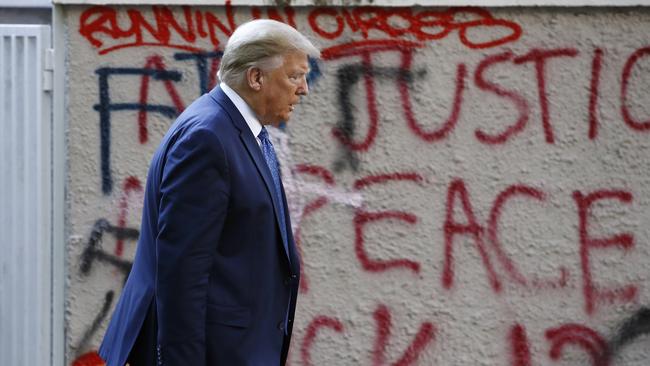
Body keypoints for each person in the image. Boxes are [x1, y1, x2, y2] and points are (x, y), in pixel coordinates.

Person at [98, 19, 320, 366]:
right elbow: (181, 273)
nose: (304, 89)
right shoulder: (208, 138)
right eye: (294, 76)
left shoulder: (243, 130)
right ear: (256, 78)